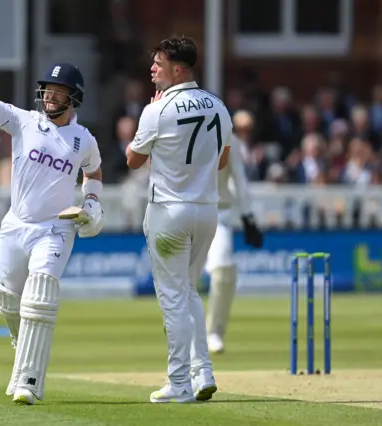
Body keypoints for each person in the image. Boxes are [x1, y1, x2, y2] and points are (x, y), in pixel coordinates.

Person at [0, 37, 104, 405]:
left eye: (59, 93)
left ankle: (29, 382)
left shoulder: (83, 139)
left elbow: (94, 172)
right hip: (16, 224)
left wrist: (91, 201)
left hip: (55, 228)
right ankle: (21, 343)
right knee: (8, 299)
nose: (50, 98)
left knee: (40, 295)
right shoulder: (24, 121)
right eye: (48, 91)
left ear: (73, 98)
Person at [126, 36, 232, 403]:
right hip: (207, 212)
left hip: (169, 213)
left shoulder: (157, 109)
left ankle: (180, 383)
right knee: (188, 291)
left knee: (173, 298)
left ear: (178, 69)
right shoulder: (219, 106)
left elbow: (132, 160)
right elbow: (222, 161)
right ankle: (203, 372)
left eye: (159, 63)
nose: (152, 68)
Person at [204, 110, 264, 355]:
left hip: (219, 214)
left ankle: (214, 333)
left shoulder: (232, 141)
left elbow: (240, 180)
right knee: (181, 278)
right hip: (185, 213)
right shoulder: (182, 135)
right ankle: (184, 335)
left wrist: (249, 217)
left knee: (224, 269)